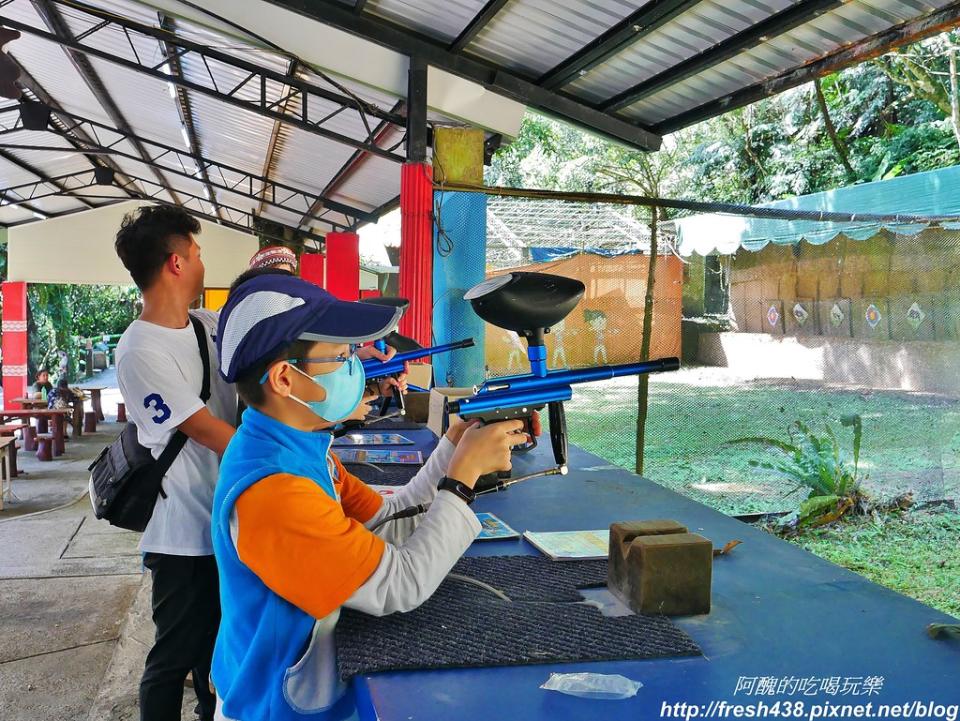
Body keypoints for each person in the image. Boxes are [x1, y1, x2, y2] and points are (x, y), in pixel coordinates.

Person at [210, 273, 530, 721]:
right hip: (277, 706)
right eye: (340, 357)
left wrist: (452, 451)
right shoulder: (275, 491)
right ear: (285, 378)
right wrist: (462, 480)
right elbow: (400, 585)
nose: (355, 368)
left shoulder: (298, 448)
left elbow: (388, 517)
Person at [113, 205, 238, 721]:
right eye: (197, 251)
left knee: (217, 656)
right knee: (172, 659)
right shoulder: (139, 349)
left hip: (222, 520)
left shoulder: (207, 325)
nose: (202, 260)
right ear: (176, 263)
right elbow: (211, 433)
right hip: (182, 532)